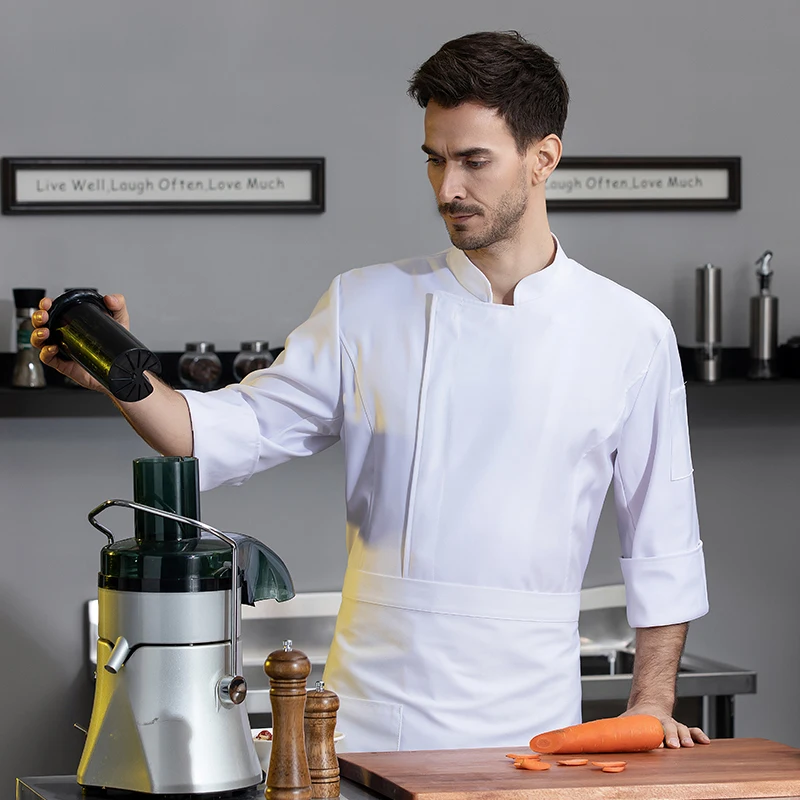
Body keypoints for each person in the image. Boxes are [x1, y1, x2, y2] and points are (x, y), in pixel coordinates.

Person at [32, 30, 710, 753]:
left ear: (543, 158)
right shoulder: (366, 305)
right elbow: (217, 436)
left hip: (536, 722)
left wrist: (650, 705)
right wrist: (117, 378)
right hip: (369, 720)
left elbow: (661, 540)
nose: (447, 188)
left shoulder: (632, 332)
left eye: (474, 161)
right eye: (435, 159)